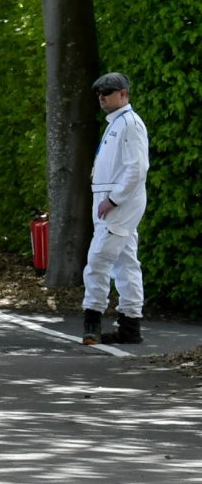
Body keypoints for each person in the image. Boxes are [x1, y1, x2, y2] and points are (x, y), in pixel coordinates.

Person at [82, 72, 151, 344]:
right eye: (99, 93)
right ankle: (130, 327)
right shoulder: (118, 123)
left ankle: (92, 321)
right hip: (112, 200)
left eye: (107, 92)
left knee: (98, 258)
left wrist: (114, 199)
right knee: (125, 262)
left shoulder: (130, 124)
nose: (102, 97)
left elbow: (137, 169)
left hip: (117, 204)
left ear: (123, 93)